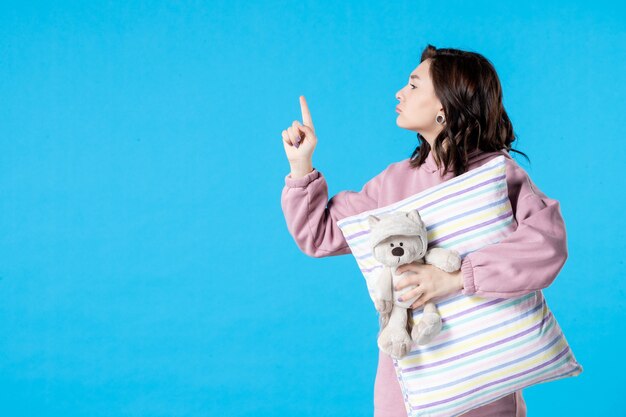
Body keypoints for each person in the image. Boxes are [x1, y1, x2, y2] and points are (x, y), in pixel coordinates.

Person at [280, 44, 568, 417]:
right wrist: (301, 165)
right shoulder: (393, 183)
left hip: (485, 391)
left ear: (444, 108)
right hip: (405, 393)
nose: (399, 92)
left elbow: (546, 245)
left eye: (414, 85)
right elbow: (318, 235)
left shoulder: (498, 176)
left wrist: (453, 277)